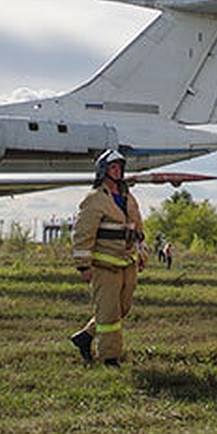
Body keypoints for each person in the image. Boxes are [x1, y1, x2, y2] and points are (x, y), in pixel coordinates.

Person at [70, 149, 146, 366]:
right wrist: (83, 266)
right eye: (113, 167)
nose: (118, 171)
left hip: (127, 263)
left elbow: (139, 229)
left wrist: (142, 255)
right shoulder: (94, 200)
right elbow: (83, 234)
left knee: (122, 308)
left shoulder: (128, 198)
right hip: (105, 266)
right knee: (109, 314)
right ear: (103, 171)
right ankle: (110, 358)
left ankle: (85, 336)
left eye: (120, 167)